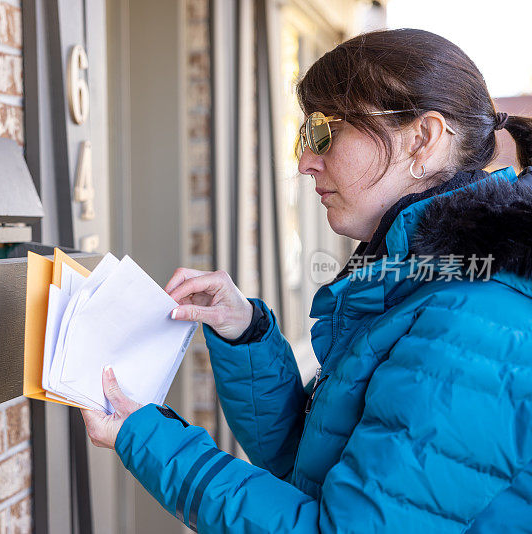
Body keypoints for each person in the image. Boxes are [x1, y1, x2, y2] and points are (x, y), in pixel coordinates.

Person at [81, 28, 532, 532]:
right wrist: (247, 334)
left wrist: (147, 439)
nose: (305, 161)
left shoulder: (476, 323)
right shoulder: (418, 284)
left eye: (325, 132)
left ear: (422, 139)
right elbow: (308, 466)